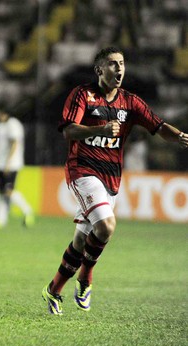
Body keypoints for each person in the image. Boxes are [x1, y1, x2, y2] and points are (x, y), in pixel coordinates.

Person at [42, 46, 188, 315]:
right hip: (82, 170)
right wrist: (101, 129)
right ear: (99, 70)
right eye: (112, 64)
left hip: (111, 179)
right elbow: (69, 131)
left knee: (80, 242)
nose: (119, 69)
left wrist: (179, 136)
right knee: (107, 226)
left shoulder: (130, 102)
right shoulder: (81, 95)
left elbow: (157, 125)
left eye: (121, 63)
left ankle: (53, 290)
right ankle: (86, 279)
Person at [0, 106, 35, 229]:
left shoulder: (13, 124)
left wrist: (8, 163)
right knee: (0, 191)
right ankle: (1, 220)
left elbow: (15, 143)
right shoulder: (0, 126)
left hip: (11, 164)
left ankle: (27, 210)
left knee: (9, 190)